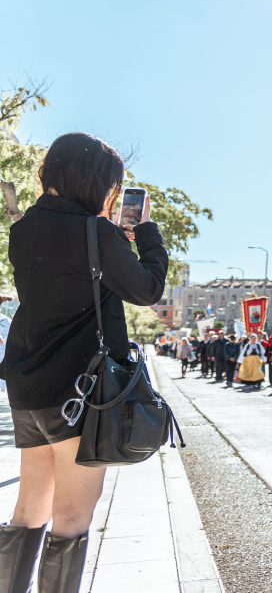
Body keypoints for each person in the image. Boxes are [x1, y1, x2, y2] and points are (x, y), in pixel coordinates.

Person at [0, 132, 168, 592]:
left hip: (29, 386)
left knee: (29, 508)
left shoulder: (24, 228)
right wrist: (145, 233)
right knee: (72, 517)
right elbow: (147, 290)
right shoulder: (98, 232)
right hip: (79, 394)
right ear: (93, 181)